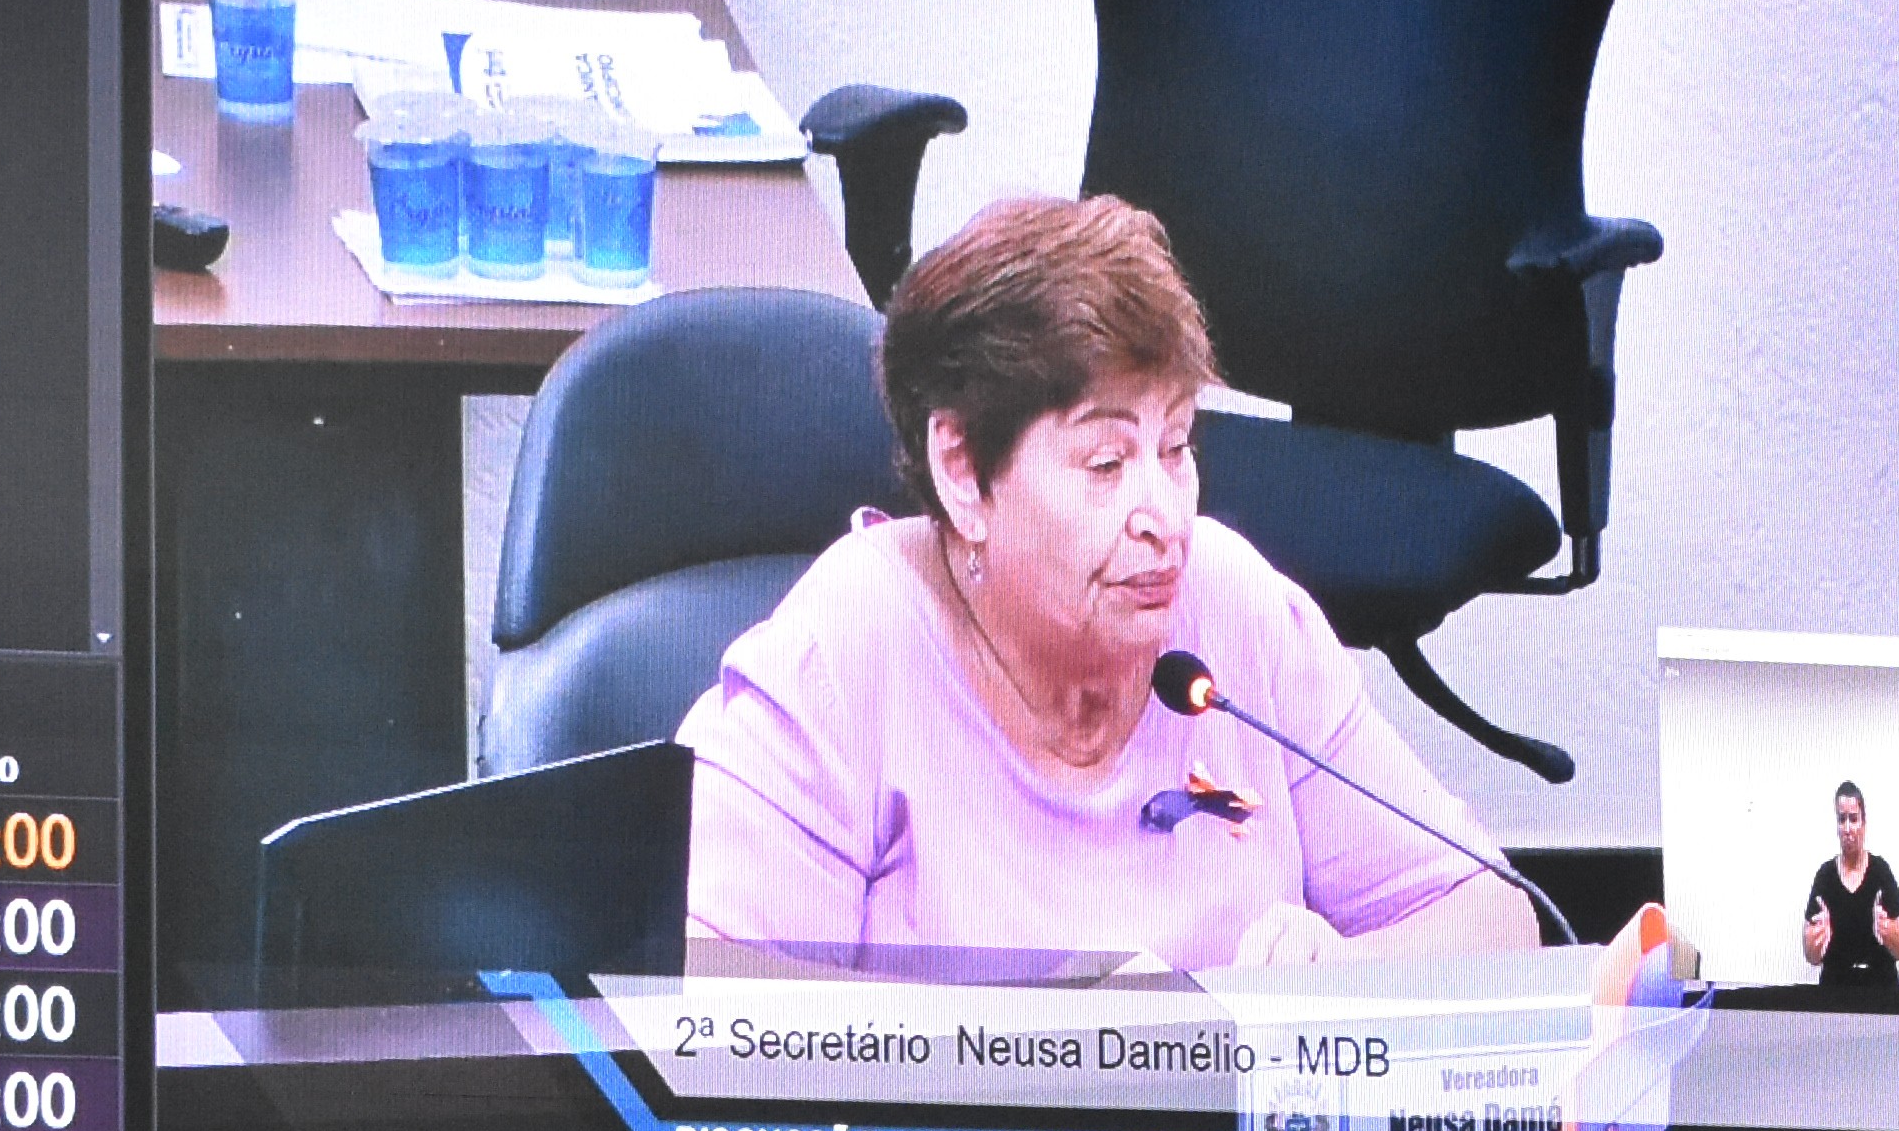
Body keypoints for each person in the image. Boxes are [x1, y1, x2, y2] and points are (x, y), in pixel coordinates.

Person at [680, 195, 1665, 986]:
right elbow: (710, 1003)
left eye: (1178, 445)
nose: (1163, 513)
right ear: (964, 472)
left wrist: (1345, 980)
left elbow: (1492, 914)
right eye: (1107, 463)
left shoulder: (1229, 606)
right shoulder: (847, 646)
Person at [1798, 780, 1899, 996]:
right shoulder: (1825, 876)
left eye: (1853, 819)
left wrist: (1888, 929)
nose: (1848, 828)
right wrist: (1815, 941)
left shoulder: (1880, 871)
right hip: (1835, 989)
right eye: (1842, 819)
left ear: (1864, 823)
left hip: (1881, 989)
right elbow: (1811, 955)